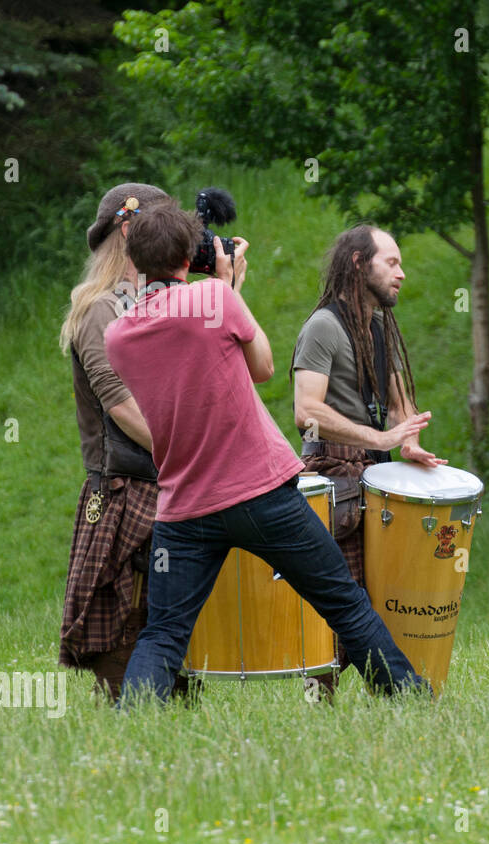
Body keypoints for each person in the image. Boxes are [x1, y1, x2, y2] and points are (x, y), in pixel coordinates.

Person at [104, 198, 426, 703]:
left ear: (133, 263)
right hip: (261, 493)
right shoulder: (218, 299)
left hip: (184, 506)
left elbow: (172, 361)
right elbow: (262, 367)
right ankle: (409, 696)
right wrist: (230, 290)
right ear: (190, 257)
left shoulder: (117, 336)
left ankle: (132, 720)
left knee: (163, 633)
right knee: (343, 603)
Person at [292, 225, 444, 693]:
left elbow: (397, 404)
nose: (402, 273)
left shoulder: (376, 327)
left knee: (379, 599)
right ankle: (322, 701)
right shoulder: (324, 326)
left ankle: (387, 691)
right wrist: (377, 434)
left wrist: (408, 440)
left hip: (374, 476)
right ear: (359, 263)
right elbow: (306, 412)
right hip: (334, 478)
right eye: (391, 263)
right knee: (343, 600)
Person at [59, 182, 195, 700]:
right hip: (125, 487)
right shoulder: (99, 309)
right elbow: (120, 403)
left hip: (165, 480)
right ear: (128, 230)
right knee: (124, 637)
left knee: (170, 633)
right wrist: (183, 450)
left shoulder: (158, 302)